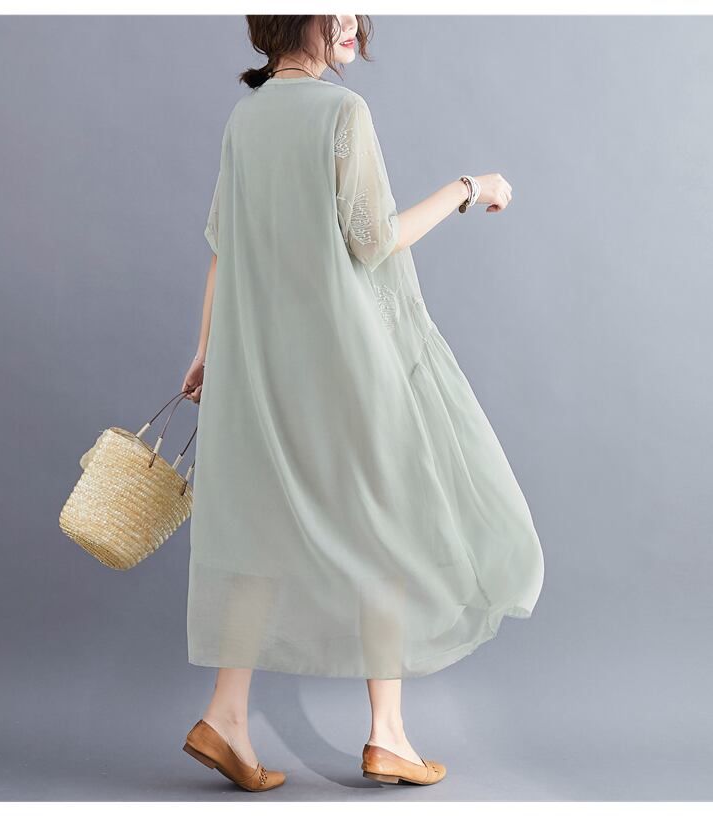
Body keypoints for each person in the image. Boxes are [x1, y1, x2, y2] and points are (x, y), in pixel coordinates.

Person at [179, 14, 544, 792]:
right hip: (346, 364)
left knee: (256, 532)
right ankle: (387, 736)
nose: (352, 19)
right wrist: (468, 188)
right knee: (387, 528)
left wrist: (205, 350)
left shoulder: (246, 118)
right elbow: (374, 240)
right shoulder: (343, 111)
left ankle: (226, 717)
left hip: (260, 370)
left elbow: (223, 246)